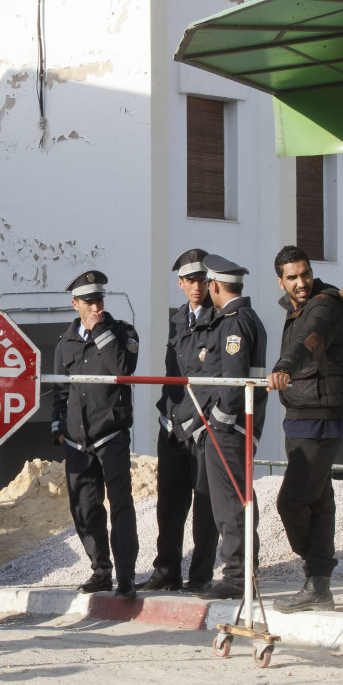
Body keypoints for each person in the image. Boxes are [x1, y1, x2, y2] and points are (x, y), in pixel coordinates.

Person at [266, 245, 343, 613]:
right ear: (281, 281)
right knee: (319, 500)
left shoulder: (324, 304)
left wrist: (285, 365)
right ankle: (319, 586)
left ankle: (318, 566)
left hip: (321, 415)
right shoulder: (296, 307)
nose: (301, 282)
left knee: (292, 501)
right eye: (293, 277)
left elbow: (313, 339)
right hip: (301, 414)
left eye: (305, 274)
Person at [52, 270, 141, 598]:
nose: (95, 306)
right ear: (75, 304)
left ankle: (127, 576)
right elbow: (60, 390)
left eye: (99, 300)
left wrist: (100, 330)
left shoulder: (122, 332)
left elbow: (123, 369)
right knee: (85, 509)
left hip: (111, 435)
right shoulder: (65, 342)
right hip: (76, 439)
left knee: (120, 506)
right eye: (88, 302)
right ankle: (100, 570)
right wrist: (57, 428)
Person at [139, 249, 219, 594]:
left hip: (203, 423)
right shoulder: (176, 319)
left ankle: (200, 575)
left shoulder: (221, 319)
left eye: (203, 280)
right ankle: (166, 570)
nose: (197, 287)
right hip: (172, 422)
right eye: (191, 281)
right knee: (169, 502)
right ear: (181, 284)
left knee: (205, 502)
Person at [193, 255, 267, 601]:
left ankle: (237, 576)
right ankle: (241, 571)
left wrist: (219, 423)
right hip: (232, 428)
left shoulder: (234, 323)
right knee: (233, 502)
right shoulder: (241, 319)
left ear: (216, 286)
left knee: (230, 506)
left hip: (230, 430)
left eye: (209, 285)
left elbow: (234, 381)